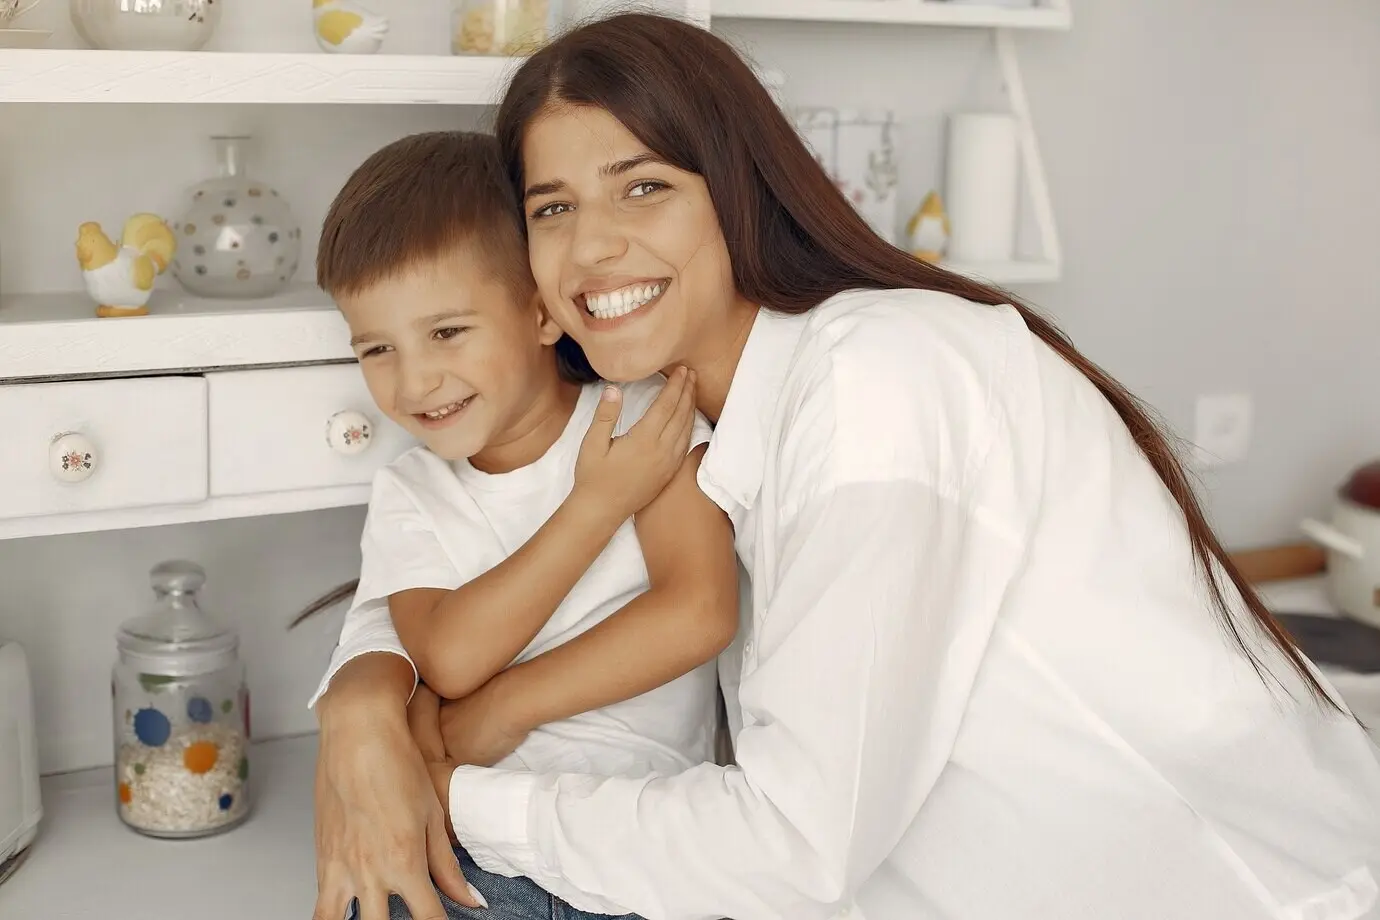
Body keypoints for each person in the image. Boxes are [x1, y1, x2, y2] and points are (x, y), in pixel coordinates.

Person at [313, 13, 1380, 920]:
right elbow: (436, 534)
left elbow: (794, 839)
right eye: (553, 207)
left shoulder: (881, 377)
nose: (591, 247)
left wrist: (453, 785)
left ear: (736, 187)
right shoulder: (675, 423)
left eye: (641, 187)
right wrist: (362, 702)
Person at [308, 130, 739, 920]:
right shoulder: (412, 491)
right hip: (471, 844)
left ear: (542, 315)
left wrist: (507, 710)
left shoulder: (647, 419)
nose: (414, 381)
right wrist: (596, 505)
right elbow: (449, 654)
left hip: (629, 847)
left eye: (447, 332)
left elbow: (699, 611)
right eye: (376, 348)